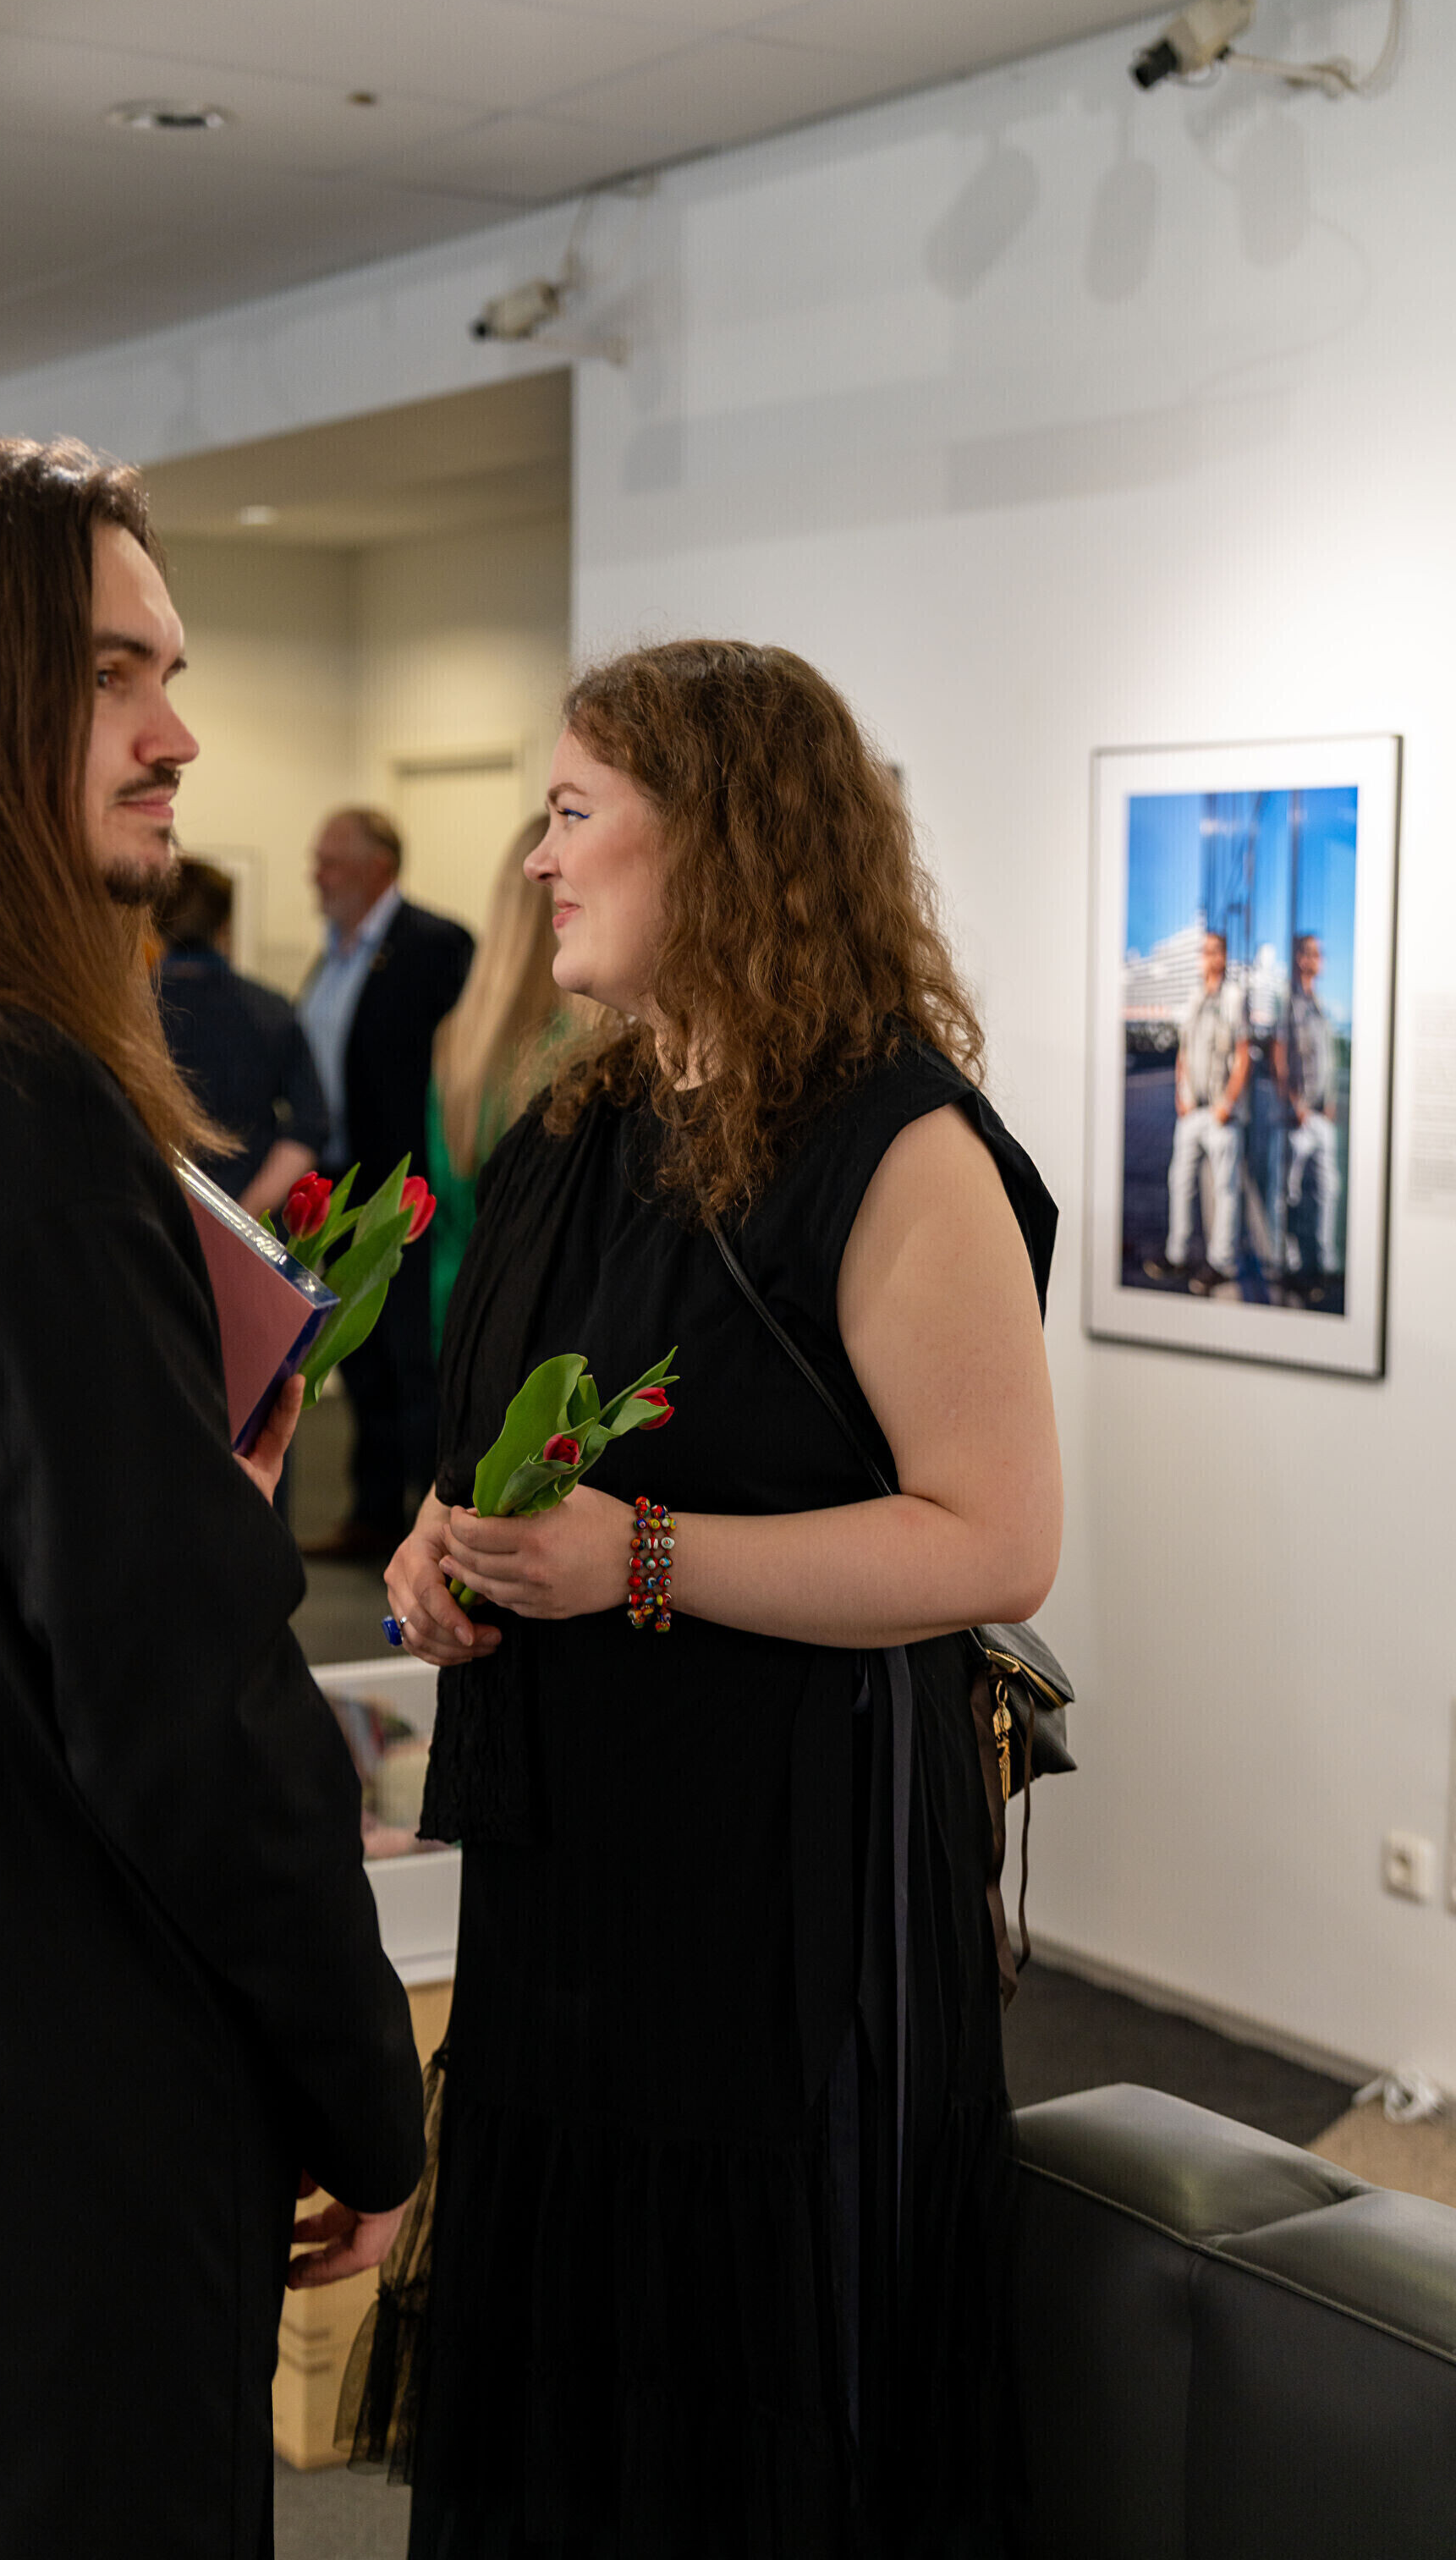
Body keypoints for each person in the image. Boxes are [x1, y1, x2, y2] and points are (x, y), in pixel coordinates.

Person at [0, 439, 424, 2559]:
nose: (177, 730)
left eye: (169, 671)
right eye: (115, 672)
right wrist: (363, 2089)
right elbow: (182, 1699)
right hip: (33, 2118)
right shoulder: (9, 1108)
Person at [360, 640, 1063, 2557]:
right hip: (572, 1885)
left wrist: (643, 1557)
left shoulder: (900, 1147)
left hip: (783, 1914)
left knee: (747, 2397)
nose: (534, 859)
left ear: (722, 844)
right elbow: (493, 1448)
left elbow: (993, 1541)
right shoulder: (569, 1132)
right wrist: (442, 1549)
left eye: (572, 812)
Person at [299, 806, 471, 1561]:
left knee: (413, 1358)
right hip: (340, 1189)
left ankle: (429, 1530)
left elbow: (456, 1071)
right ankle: (372, 1516)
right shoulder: (331, 956)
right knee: (357, 1356)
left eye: (331, 861)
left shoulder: (435, 947)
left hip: (407, 1194)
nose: (316, 875)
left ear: (379, 868)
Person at [424, 810, 577, 1347]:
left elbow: (446, 1205)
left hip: (458, 1306)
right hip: (547, 1331)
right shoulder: (581, 1051)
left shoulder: (459, 1037)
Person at [154, 854, 327, 1216]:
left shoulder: (127, 1013)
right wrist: (245, 1217)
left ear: (154, 923)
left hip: (153, 1219)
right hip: (250, 1212)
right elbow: (310, 1124)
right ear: (226, 926)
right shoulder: (271, 1010)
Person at [1143, 927, 1250, 1295]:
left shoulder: (1235, 997)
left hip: (1221, 1114)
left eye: (1214, 951)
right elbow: (1184, 1050)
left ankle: (1221, 1262)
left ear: (1224, 957)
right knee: (1180, 1181)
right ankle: (1177, 1255)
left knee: (1225, 1189)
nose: (1207, 957)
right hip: (1191, 1111)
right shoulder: (1192, 998)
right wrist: (1181, 1094)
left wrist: (1227, 1104)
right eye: (1203, 951)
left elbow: (1243, 1055)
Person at [1272, 931, 1343, 1301]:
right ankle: (1291, 1264)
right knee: (1290, 1191)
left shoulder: (1321, 1004)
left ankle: (1326, 1262)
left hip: (1321, 1117)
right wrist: (1294, 1103)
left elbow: (1328, 1058)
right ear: (1301, 958)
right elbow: (1279, 1055)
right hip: (1298, 1117)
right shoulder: (1289, 1002)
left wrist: (1329, 1101)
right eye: (1313, 953)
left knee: (1329, 1190)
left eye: (1321, 953)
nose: (1319, 959)